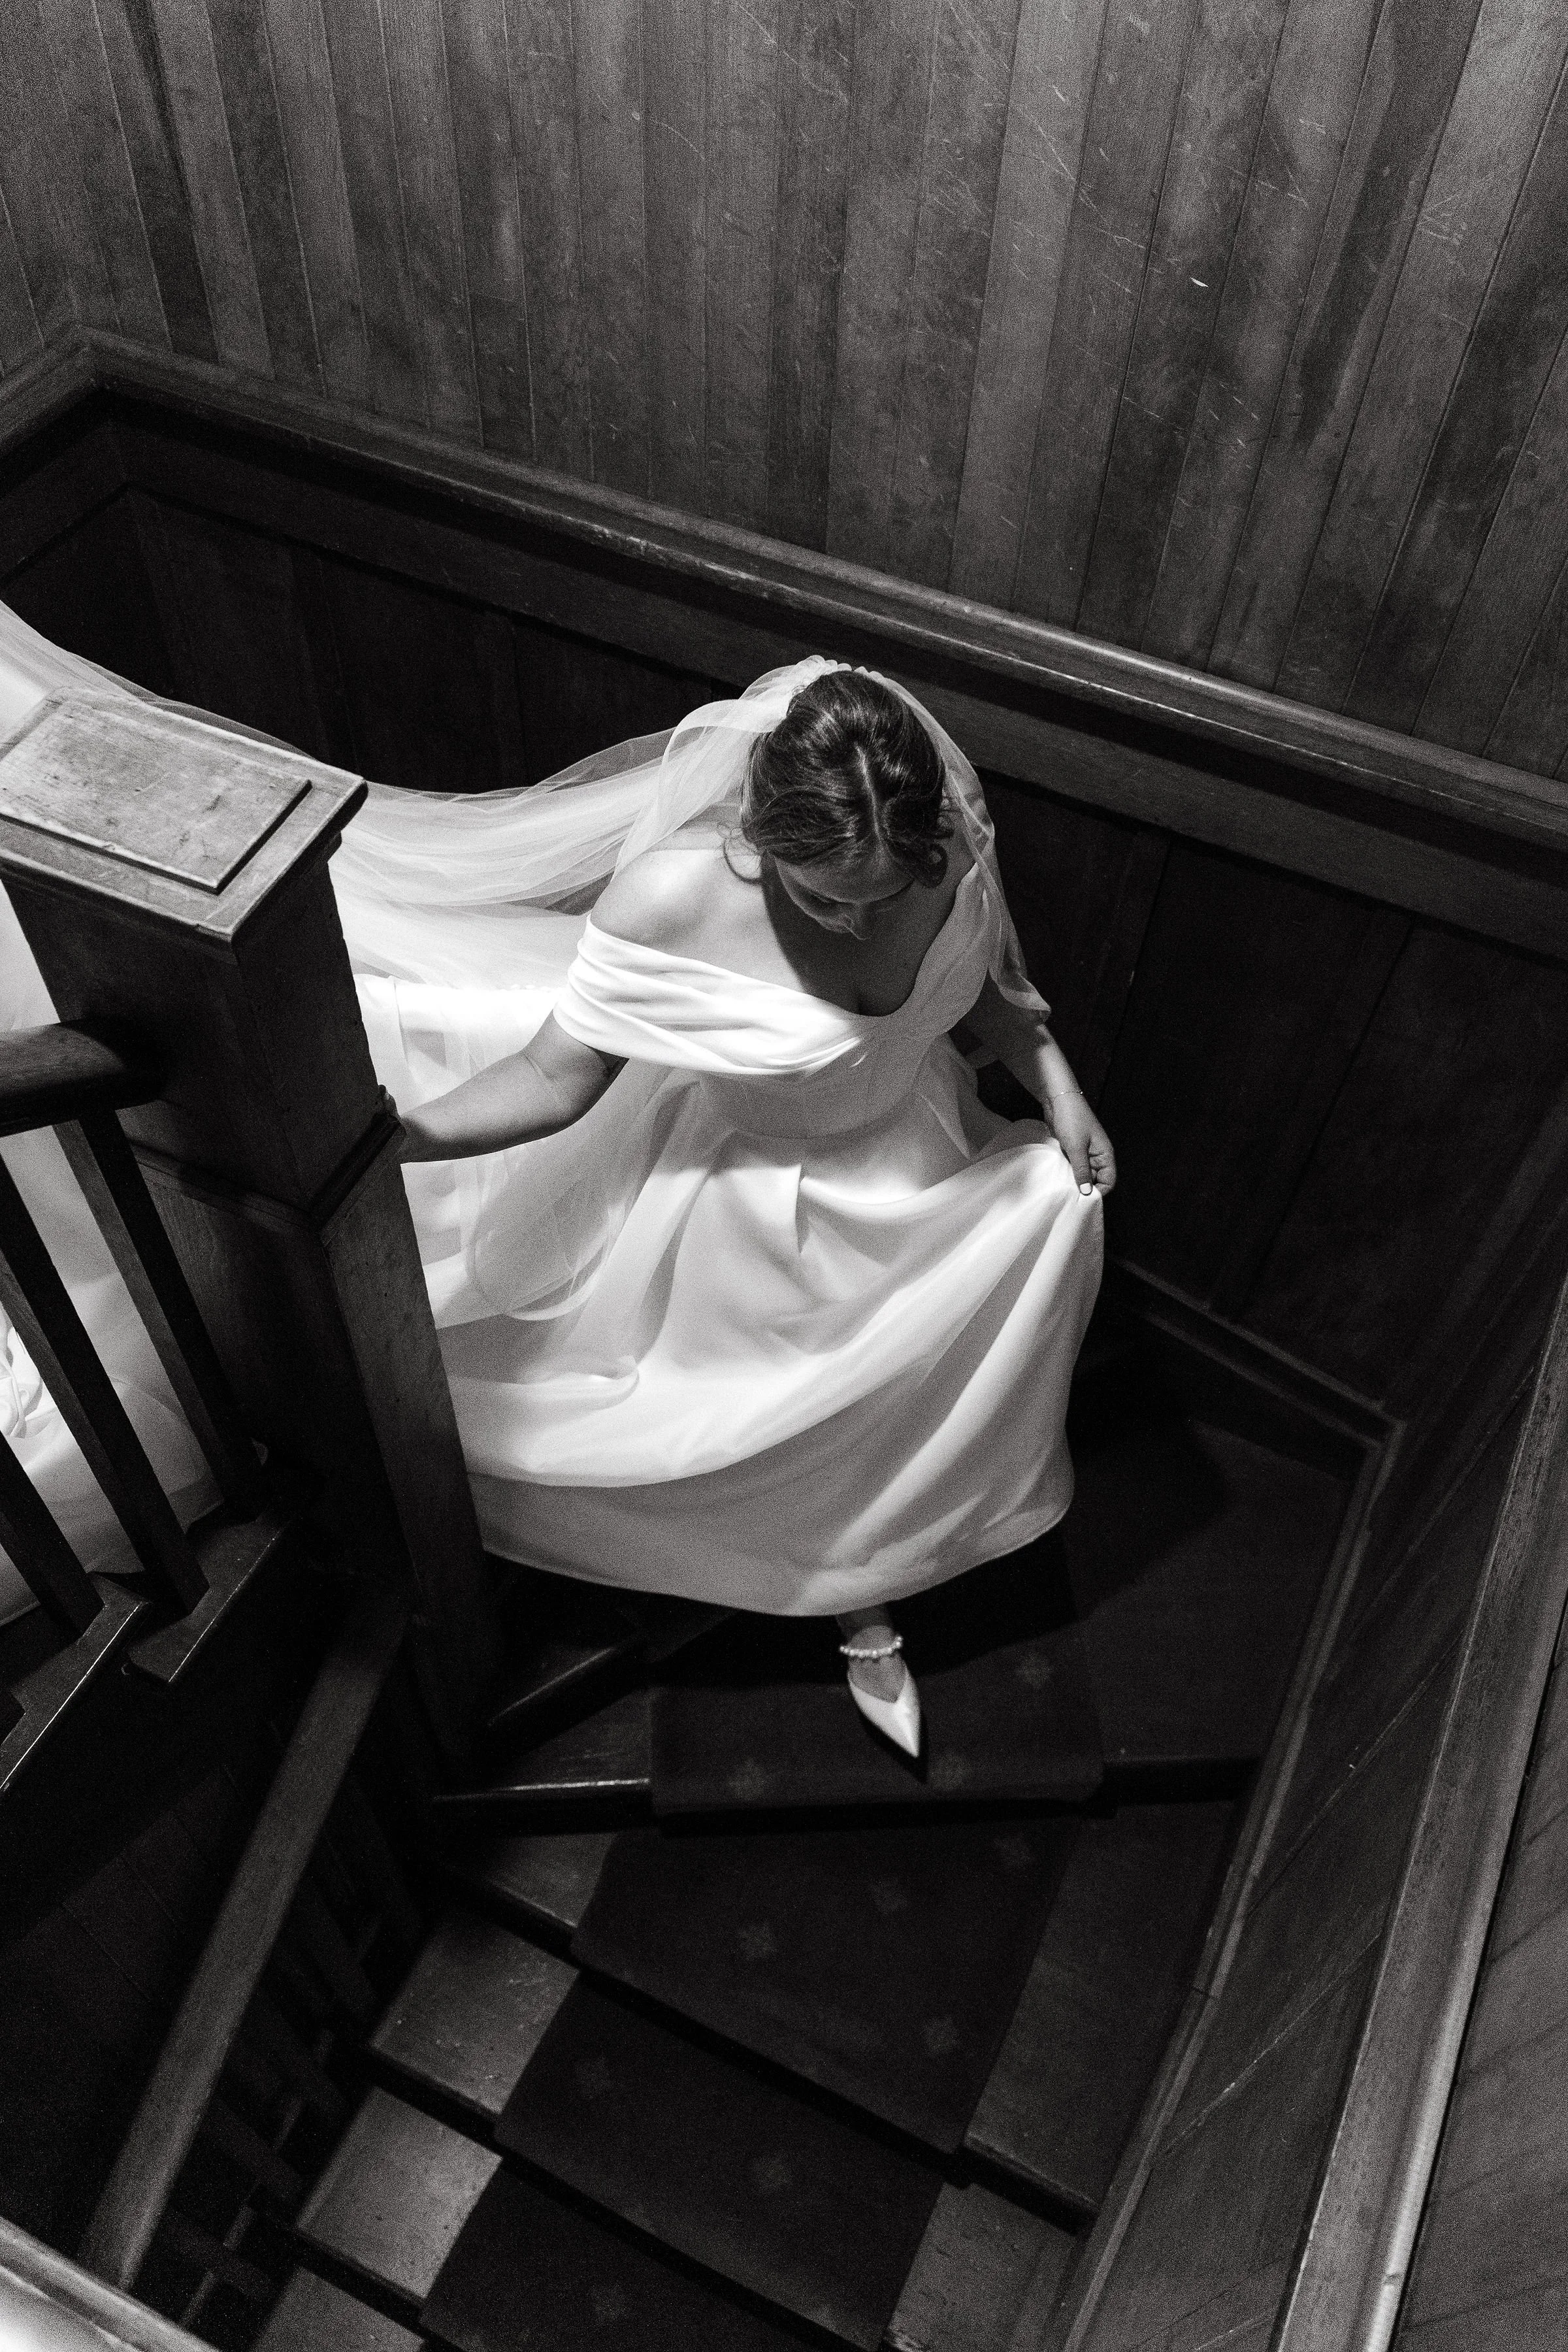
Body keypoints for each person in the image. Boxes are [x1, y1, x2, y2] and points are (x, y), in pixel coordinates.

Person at [344, 660, 1111, 1756]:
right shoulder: (669, 898)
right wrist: (404, 1138)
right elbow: (557, 1079)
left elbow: (989, 995)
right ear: (756, 835)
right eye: (820, 896)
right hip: (758, 1200)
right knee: (765, 1411)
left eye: (882, 898)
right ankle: (819, 1582)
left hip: (913, 1155)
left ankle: (874, 1568)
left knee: (959, 1308)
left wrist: (1063, 1095)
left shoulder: (950, 848)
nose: (855, 924)